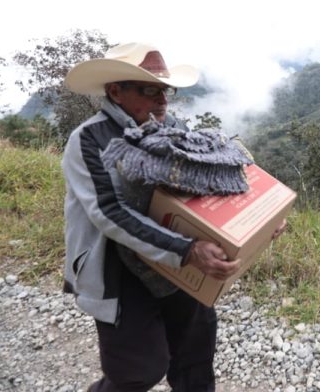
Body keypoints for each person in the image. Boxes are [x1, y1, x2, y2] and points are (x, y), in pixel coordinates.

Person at [61, 42, 283, 391]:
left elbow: (208, 176)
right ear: (116, 91)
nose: (163, 100)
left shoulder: (172, 126)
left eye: (165, 90)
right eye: (150, 90)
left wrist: (263, 216)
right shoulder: (90, 139)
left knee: (195, 357)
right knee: (137, 371)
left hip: (177, 258)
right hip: (119, 269)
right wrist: (188, 250)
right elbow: (110, 213)